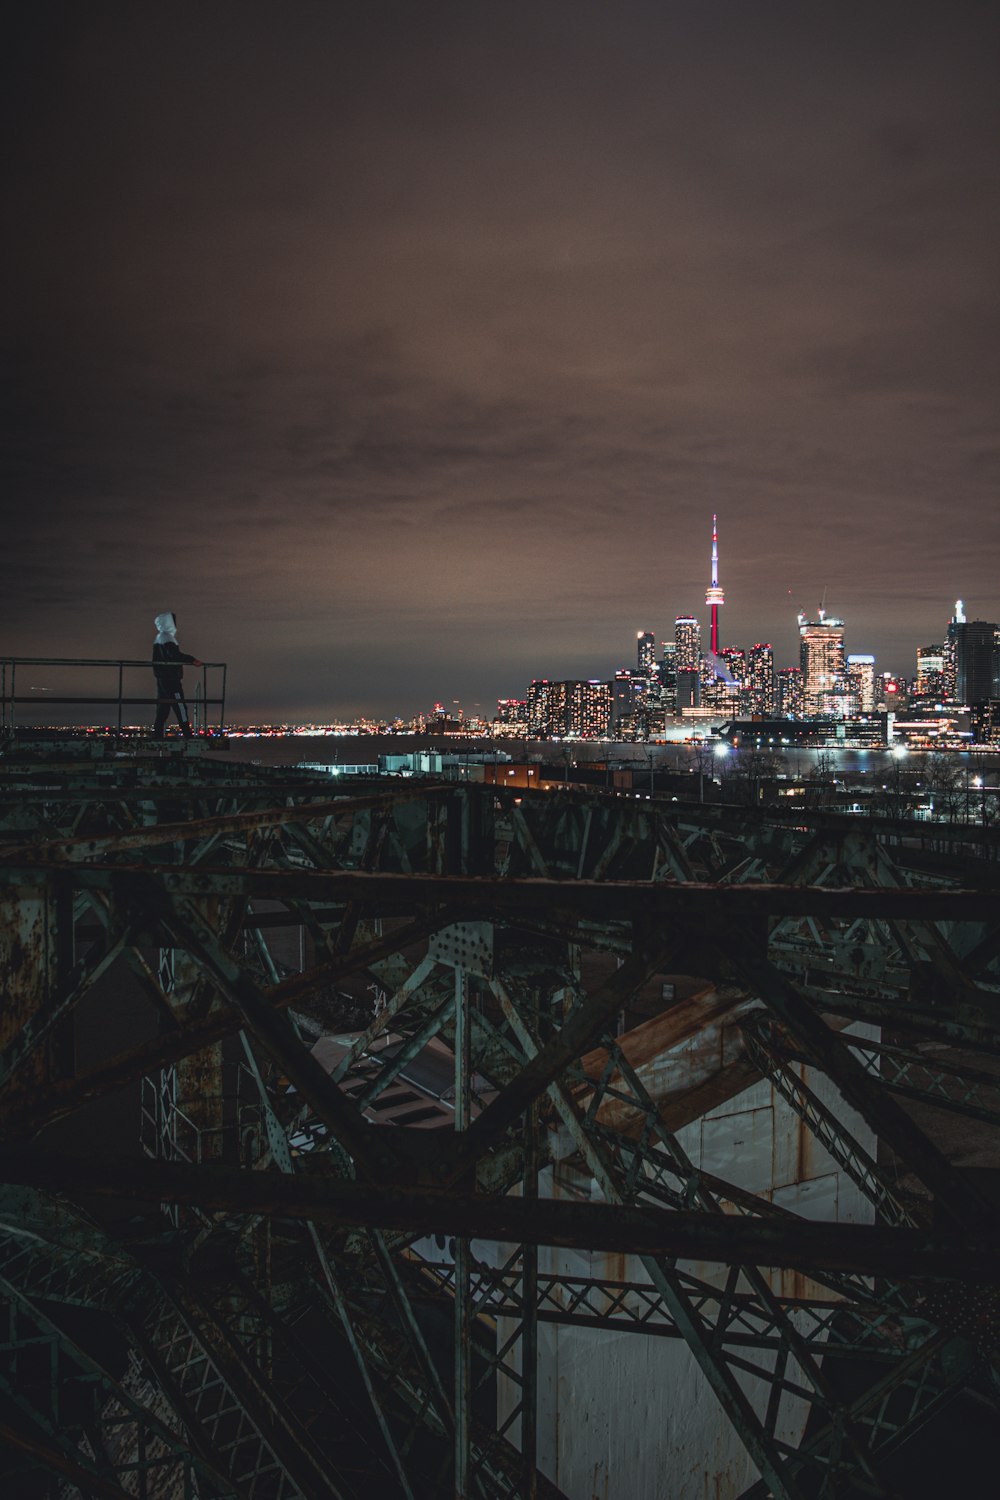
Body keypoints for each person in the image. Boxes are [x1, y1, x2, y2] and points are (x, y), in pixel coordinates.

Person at [152, 612, 202, 740]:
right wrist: (192, 660)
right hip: (171, 679)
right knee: (180, 707)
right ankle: (187, 734)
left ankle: (157, 734)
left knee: (163, 708)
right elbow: (174, 655)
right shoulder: (167, 637)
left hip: (162, 678)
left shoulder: (159, 637)